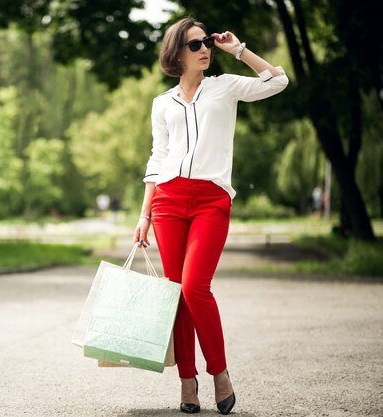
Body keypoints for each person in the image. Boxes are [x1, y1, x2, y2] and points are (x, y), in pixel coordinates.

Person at [133, 17, 288, 415]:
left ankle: (219, 372)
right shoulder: (162, 103)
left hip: (211, 199)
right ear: (177, 53)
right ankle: (188, 381)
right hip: (167, 200)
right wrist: (144, 214)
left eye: (207, 43)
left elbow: (277, 81)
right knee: (176, 291)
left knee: (194, 287)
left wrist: (238, 50)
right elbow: (158, 158)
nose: (205, 49)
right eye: (195, 44)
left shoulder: (225, 86)